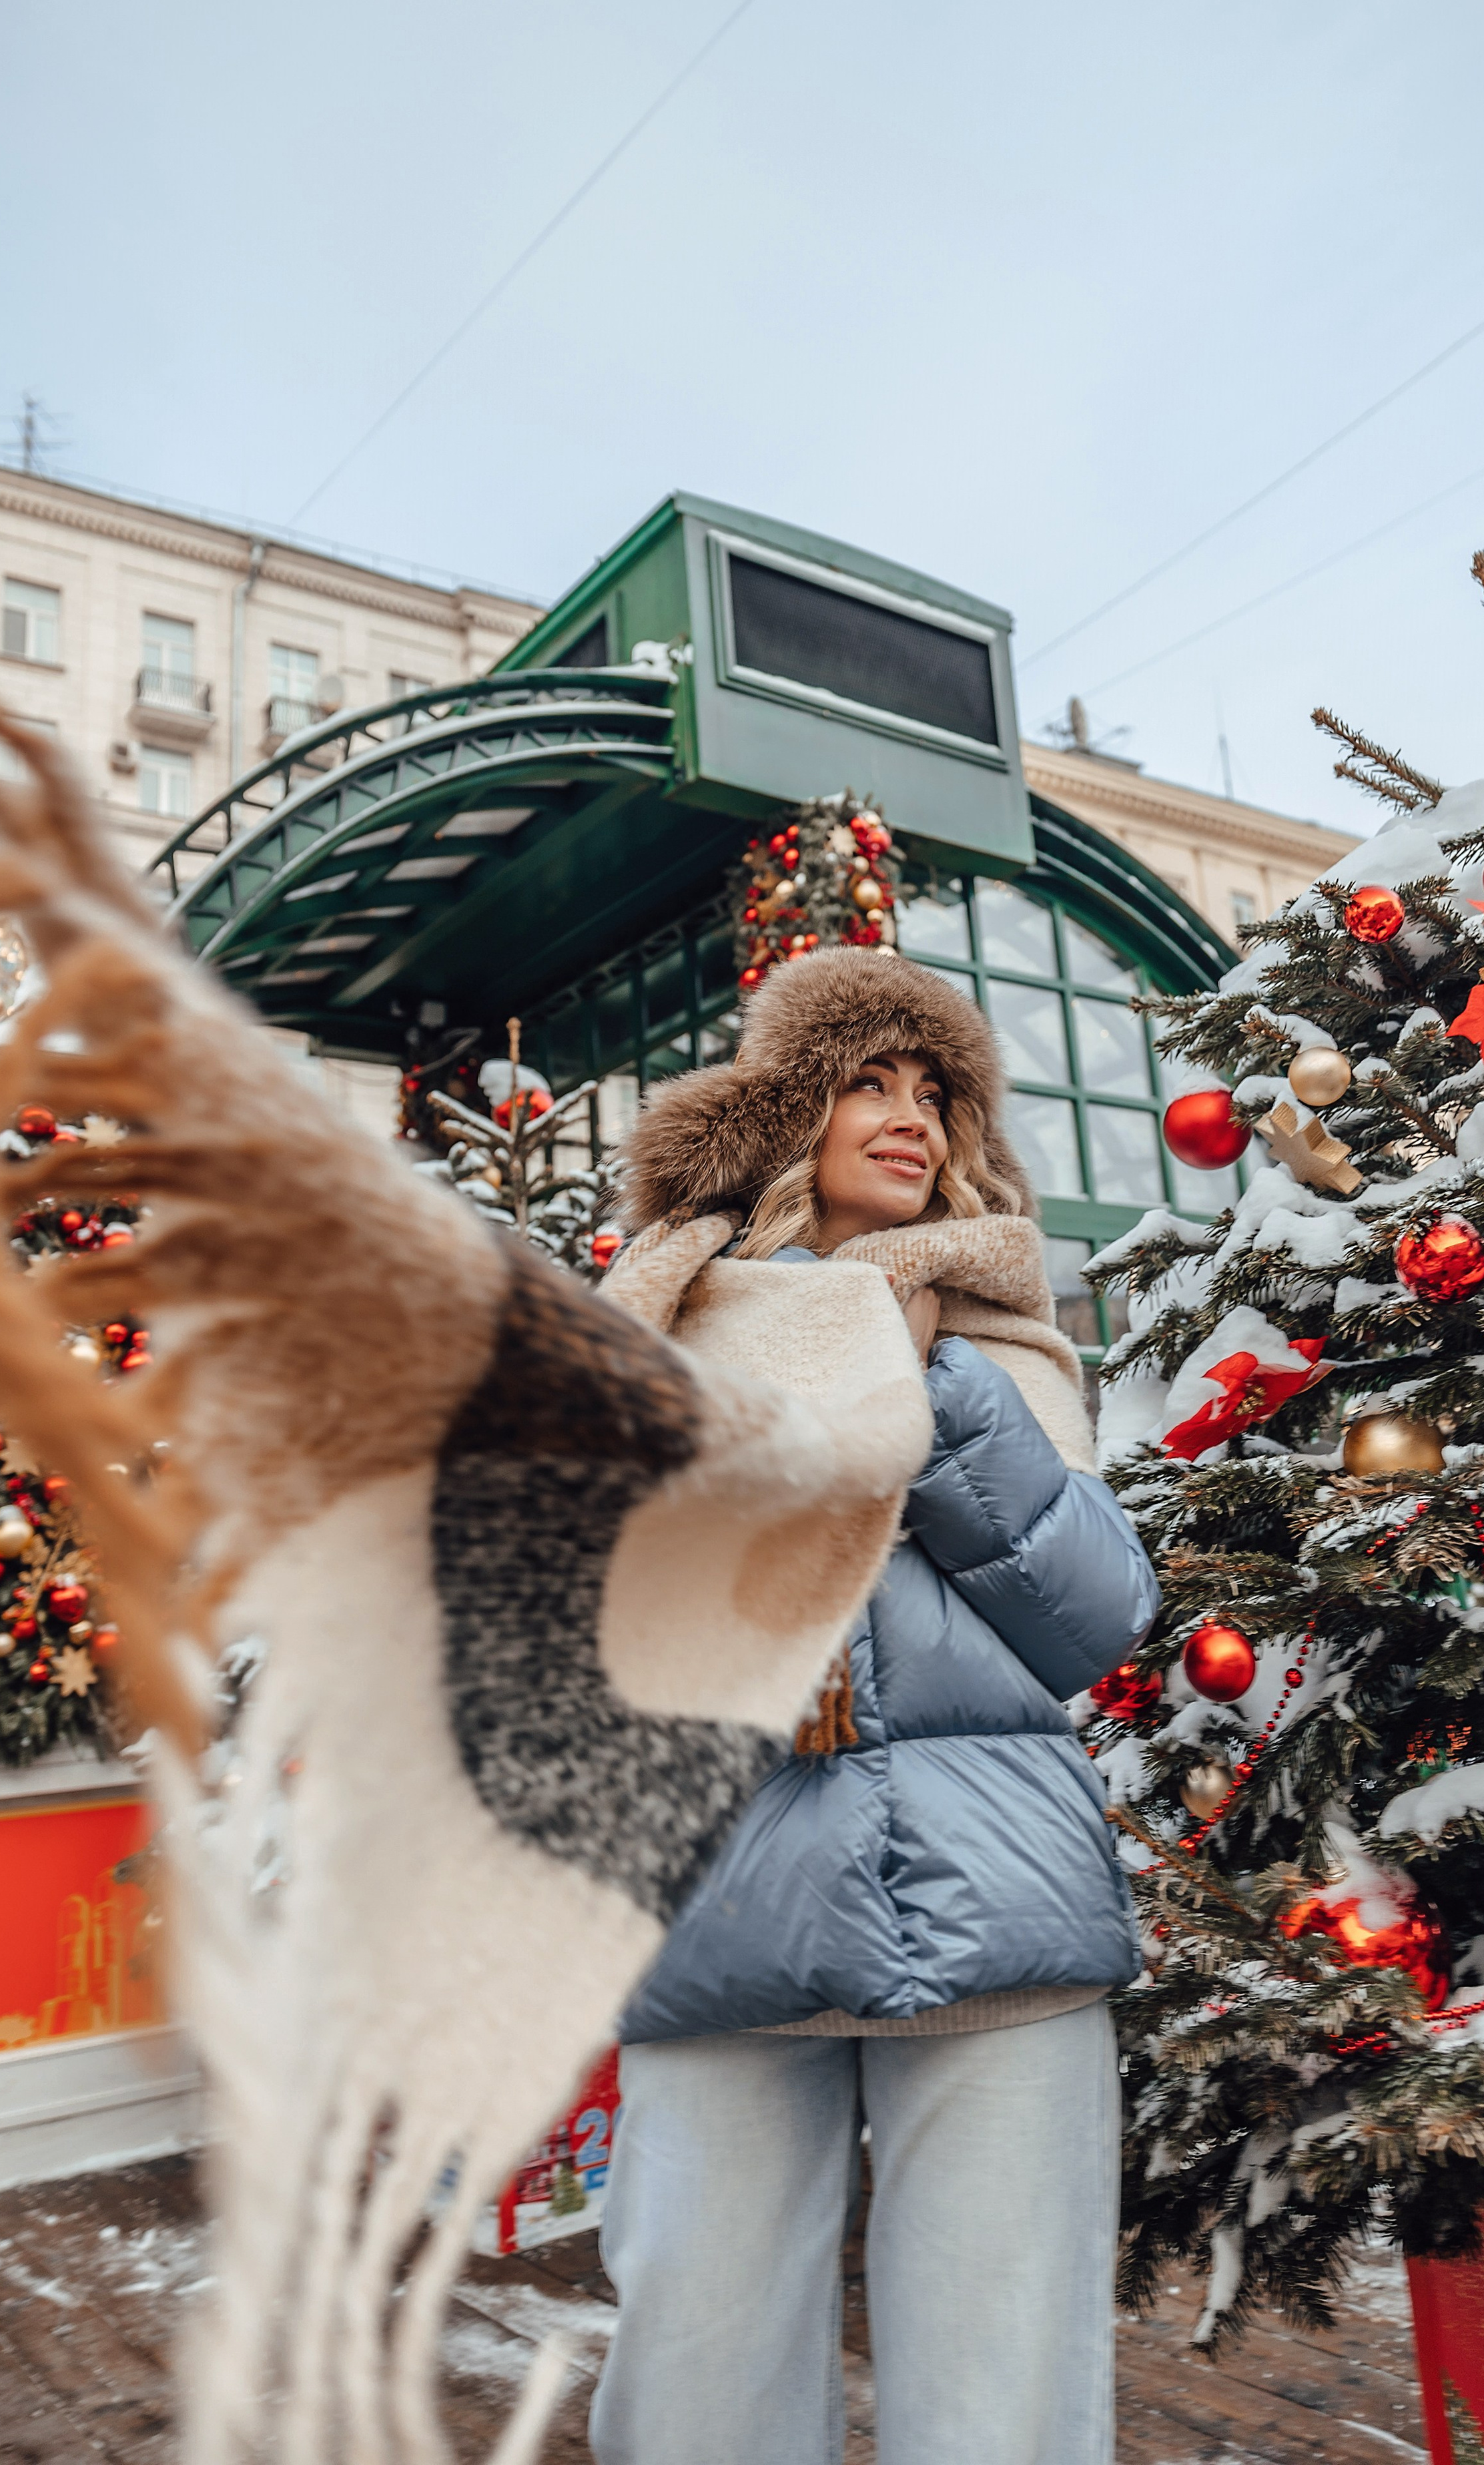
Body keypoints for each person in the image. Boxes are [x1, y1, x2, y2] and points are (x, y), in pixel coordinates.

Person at [590, 945, 1158, 2465]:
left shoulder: (1005, 1348)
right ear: (785, 1110)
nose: (907, 1117)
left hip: (997, 1906)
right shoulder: (647, 1329)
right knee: (690, 2378)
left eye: (933, 1092)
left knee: (1004, 2387)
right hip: (717, 1900)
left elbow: (1095, 1615)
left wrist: (927, 1387)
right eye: (865, 1082)